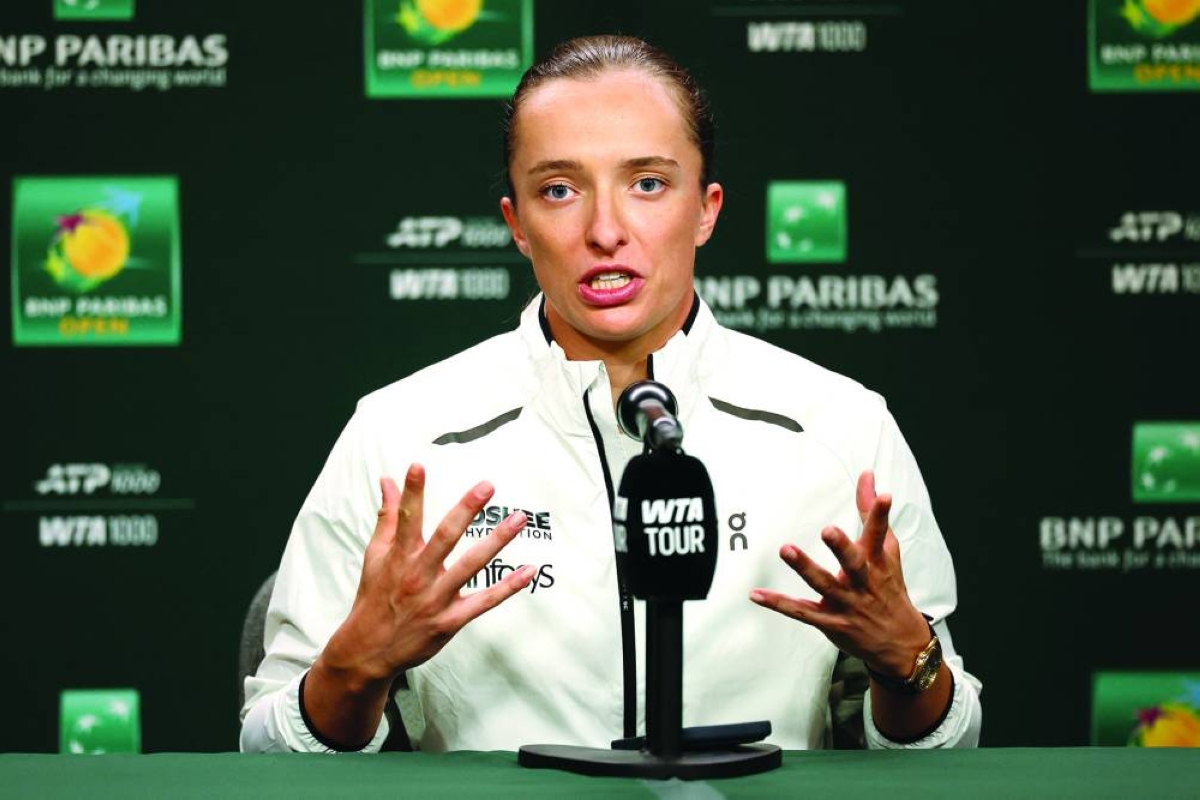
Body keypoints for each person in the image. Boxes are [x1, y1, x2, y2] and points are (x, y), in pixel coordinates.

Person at [240, 35, 982, 754]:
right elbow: (269, 743)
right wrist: (353, 667)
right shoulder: (399, 433)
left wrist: (909, 661)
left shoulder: (841, 426)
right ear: (517, 225)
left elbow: (947, 748)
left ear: (707, 208)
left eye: (648, 184)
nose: (605, 230)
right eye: (559, 190)